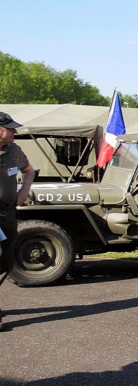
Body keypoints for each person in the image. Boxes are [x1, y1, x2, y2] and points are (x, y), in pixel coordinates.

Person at [0, 112, 35, 331]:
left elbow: (29, 171)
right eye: (11, 128)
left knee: (6, 262)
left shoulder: (14, 151)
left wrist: (24, 190)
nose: (15, 132)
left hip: (8, 214)